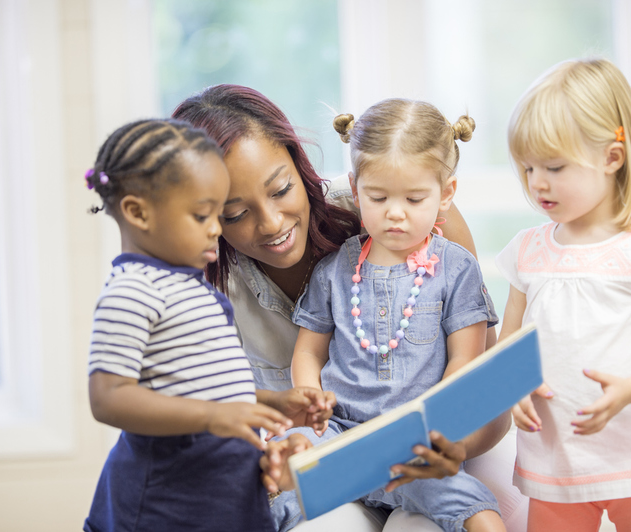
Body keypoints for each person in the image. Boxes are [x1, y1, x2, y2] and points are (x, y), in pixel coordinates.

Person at [172, 86, 527, 532]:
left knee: (452, 516)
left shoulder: (434, 243)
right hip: (338, 439)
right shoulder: (307, 275)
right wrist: (297, 428)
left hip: (430, 445)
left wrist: (444, 434)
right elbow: (292, 372)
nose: (271, 224)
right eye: (236, 213)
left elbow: (481, 380)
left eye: (281, 189)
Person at [83, 118, 332, 532]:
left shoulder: (193, 287)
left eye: (221, 214)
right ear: (137, 212)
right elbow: (107, 398)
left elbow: (208, 388)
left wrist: (272, 403)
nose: (217, 230)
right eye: (204, 215)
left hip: (228, 502)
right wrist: (213, 417)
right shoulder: (132, 291)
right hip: (162, 508)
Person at [281, 98, 505, 532]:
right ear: (355, 186)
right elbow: (308, 353)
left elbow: (467, 360)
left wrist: (443, 426)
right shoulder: (333, 270)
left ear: (447, 194)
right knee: (277, 481)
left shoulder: (457, 269)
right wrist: (311, 404)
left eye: (414, 198)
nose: (395, 212)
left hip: (412, 444)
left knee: (479, 514)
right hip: (339, 436)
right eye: (378, 197)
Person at [496, 58, 631, 532]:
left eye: (553, 166)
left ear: (612, 158)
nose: (536, 183)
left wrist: (630, 389)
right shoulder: (527, 252)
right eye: (527, 167)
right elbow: (508, 346)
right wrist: (512, 386)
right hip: (556, 465)